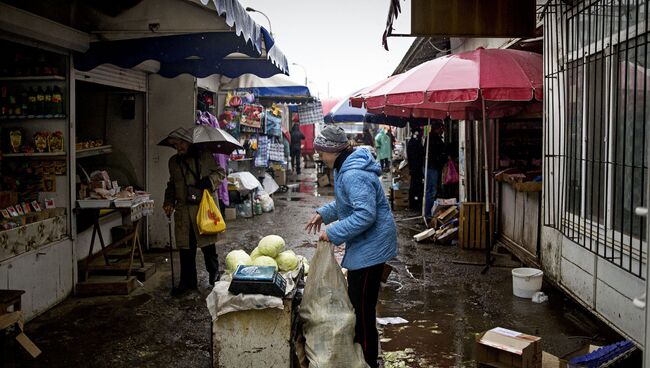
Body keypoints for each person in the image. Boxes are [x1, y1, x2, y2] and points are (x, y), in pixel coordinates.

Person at [305, 125, 397, 368]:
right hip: (366, 245)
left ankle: (368, 360)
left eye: (321, 152)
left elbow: (365, 215)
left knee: (363, 308)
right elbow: (347, 203)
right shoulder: (346, 168)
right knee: (359, 303)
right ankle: (362, 355)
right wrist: (324, 214)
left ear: (332, 150)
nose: (320, 157)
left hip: (372, 247)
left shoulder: (353, 173)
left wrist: (332, 232)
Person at [163, 129, 226, 296]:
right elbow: (171, 184)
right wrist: (168, 202)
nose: (178, 147)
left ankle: (214, 274)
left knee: (208, 245)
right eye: (175, 145)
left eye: (181, 143)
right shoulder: (173, 162)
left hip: (202, 207)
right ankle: (187, 282)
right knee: (186, 248)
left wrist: (208, 181)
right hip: (183, 211)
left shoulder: (204, 156)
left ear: (189, 142)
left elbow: (220, 173)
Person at [424, 122, 447, 219]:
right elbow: (437, 153)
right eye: (442, 128)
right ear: (438, 128)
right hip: (432, 167)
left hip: (431, 167)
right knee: (431, 191)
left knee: (430, 190)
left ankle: (429, 212)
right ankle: (428, 213)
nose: (443, 131)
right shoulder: (433, 139)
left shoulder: (432, 138)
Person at [406, 128, 425, 210]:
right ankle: (415, 203)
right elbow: (415, 155)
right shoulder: (414, 143)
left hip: (416, 167)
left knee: (416, 185)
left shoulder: (414, 142)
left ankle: (415, 202)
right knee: (415, 185)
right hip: (416, 167)